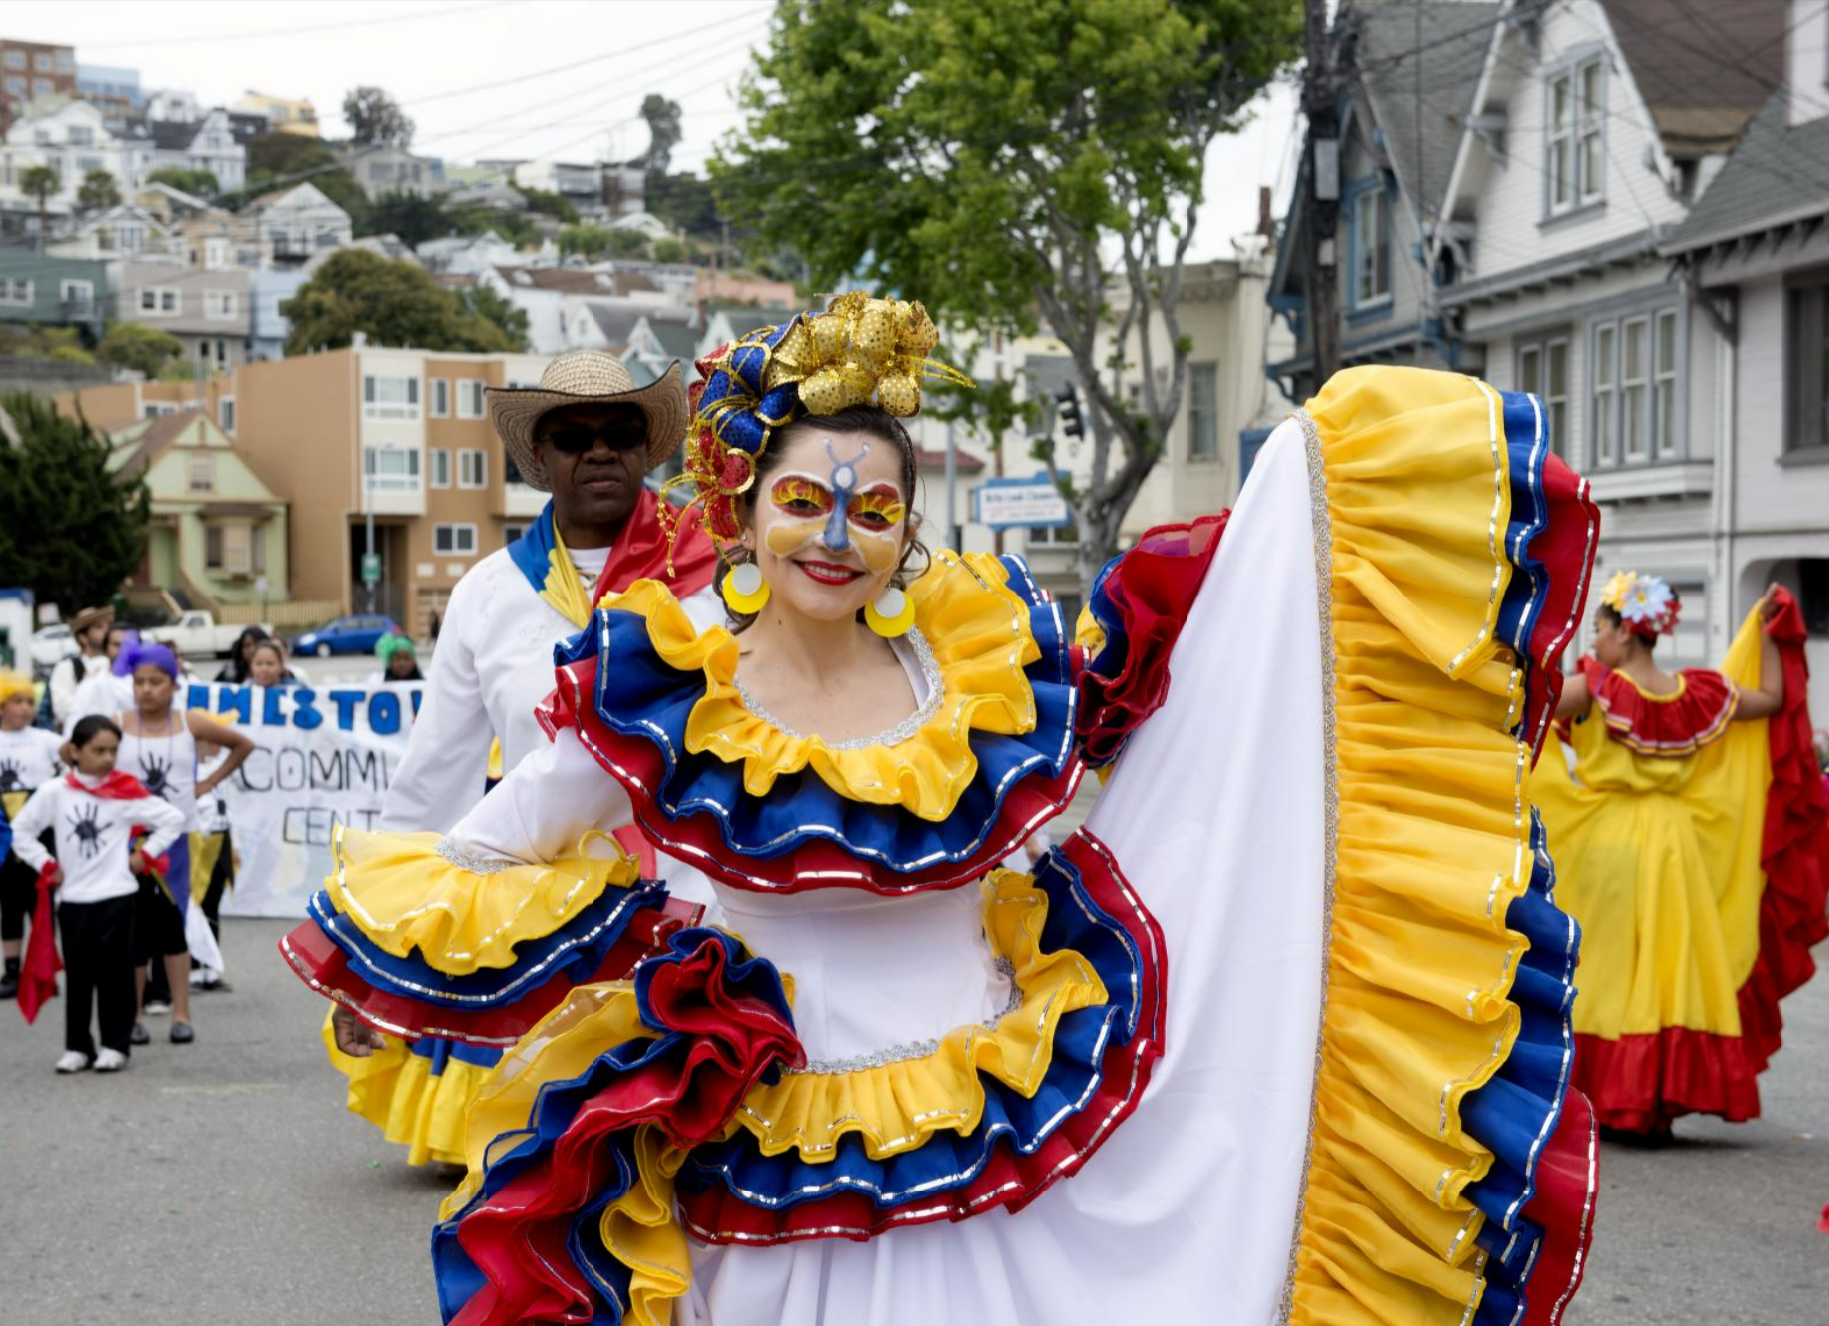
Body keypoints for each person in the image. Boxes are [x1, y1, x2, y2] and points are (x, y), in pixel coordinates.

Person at [290, 301, 1603, 1325]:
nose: (833, 537)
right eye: (802, 502)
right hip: (768, 1148)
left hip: (982, 1134)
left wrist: (1296, 563)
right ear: (741, 513)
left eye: (872, 510)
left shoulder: (964, 672)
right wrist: (392, 966)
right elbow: (495, 836)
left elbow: (1090, 806)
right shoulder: (672, 673)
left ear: (905, 527)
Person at [320, 348, 722, 1169]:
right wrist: (377, 956)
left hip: (694, 893)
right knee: (544, 1168)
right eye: (573, 436)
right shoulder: (487, 591)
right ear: (539, 460)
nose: (599, 451)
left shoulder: (718, 574)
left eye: (620, 433)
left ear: (650, 451)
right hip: (538, 909)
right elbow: (434, 771)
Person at [1534, 571, 1829, 1139]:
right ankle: (1654, 1101)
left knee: (1610, 973)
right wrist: (1766, 633)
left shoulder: (1594, 687)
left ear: (1624, 631)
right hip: (1677, 846)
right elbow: (1770, 698)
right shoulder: (1696, 694)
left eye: (1598, 629)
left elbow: (1530, 708)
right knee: (1671, 971)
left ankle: (1610, 1095)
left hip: (1610, 842)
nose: (1593, 643)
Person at [12, 714, 186, 1073]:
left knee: (116, 974)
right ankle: (77, 1045)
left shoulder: (125, 790)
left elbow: (172, 819)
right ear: (74, 751)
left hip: (117, 896)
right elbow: (21, 830)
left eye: (113, 751)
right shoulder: (55, 792)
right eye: (98, 750)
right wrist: (46, 864)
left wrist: (145, 856)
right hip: (74, 899)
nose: (107, 758)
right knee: (78, 976)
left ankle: (115, 1044)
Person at [114, 643, 252, 1046]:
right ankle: (134, 1015)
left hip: (177, 840)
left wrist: (208, 782)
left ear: (173, 685)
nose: (147, 690)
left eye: (156, 682)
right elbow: (81, 753)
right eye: (140, 682)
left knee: (173, 927)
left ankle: (181, 1014)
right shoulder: (116, 722)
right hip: (130, 840)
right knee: (135, 931)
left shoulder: (189, 722)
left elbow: (243, 744)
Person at [0, 670, 63, 1000]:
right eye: (17, 702)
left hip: (41, 829)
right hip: (3, 832)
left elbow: (72, 756)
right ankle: (11, 969)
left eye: (29, 702)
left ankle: (42, 967)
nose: (25, 708)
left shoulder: (45, 740)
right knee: (8, 902)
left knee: (42, 899)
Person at [47, 606, 115, 730]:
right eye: (99, 627)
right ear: (82, 637)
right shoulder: (66, 668)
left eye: (107, 626)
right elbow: (63, 710)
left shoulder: (116, 664)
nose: (107, 631)